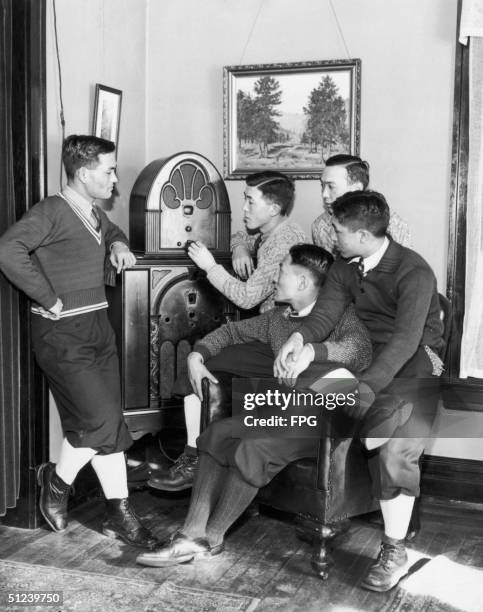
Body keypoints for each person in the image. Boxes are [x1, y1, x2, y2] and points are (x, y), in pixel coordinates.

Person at [136, 243, 373, 567]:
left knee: (254, 448)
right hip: (281, 412)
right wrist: (197, 354)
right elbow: (231, 332)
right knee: (218, 433)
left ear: (303, 283)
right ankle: (190, 534)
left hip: (324, 422)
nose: (274, 278)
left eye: (281, 271)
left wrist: (311, 355)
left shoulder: (341, 316)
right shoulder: (278, 318)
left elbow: (359, 351)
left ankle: (212, 537)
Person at [274, 190, 444, 592]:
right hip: (364, 362)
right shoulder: (344, 267)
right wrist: (299, 340)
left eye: (337, 229)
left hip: (410, 368)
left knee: (395, 449)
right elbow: (325, 316)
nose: (331, 234)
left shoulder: (414, 272)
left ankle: (395, 550)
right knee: (301, 367)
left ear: (364, 236)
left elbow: (404, 344)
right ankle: (369, 420)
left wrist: (365, 391)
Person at [0, 135, 156, 549]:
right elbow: (8, 248)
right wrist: (47, 297)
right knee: (103, 421)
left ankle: (92, 500)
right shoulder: (51, 210)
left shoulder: (92, 212)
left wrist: (119, 242)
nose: (115, 178)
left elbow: (111, 229)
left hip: (97, 328)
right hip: (62, 333)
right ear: (84, 174)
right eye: (109, 170)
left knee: (103, 420)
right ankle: (78, 491)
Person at [188, 171, 305, 313]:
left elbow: (247, 298)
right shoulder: (275, 231)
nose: (244, 207)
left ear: (273, 209)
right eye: (245, 199)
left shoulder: (284, 243)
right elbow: (240, 236)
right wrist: (240, 248)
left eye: (250, 201)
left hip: (280, 327)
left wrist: (210, 266)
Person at [312, 154, 411, 253]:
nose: (324, 194)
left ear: (356, 189)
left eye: (331, 186)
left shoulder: (393, 226)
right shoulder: (320, 226)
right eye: (322, 186)